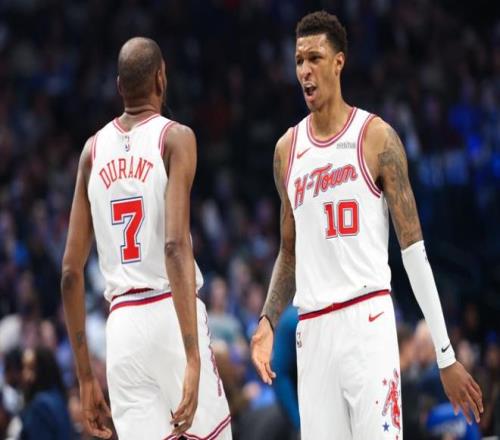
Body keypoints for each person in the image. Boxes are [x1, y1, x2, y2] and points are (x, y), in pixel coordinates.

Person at [251, 11, 483, 440]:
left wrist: (445, 354)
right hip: (312, 330)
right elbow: (289, 250)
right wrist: (267, 318)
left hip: (367, 321)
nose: (304, 70)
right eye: (299, 60)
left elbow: (414, 251)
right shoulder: (287, 149)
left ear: (339, 62)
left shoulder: (377, 138)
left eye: (315, 58)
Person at [61, 37, 231, 439]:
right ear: (161, 78)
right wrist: (192, 357)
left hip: (122, 327)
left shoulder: (91, 152)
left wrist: (85, 377)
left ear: (119, 87)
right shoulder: (175, 137)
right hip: (170, 308)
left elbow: (70, 272)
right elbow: (174, 245)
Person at [20, 347, 73, 440]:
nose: (25, 374)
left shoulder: (40, 406)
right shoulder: (59, 396)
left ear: (43, 369)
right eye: (24, 367)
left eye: (31, 368)